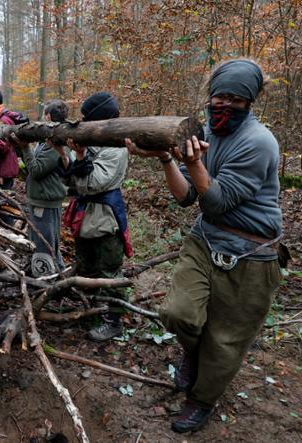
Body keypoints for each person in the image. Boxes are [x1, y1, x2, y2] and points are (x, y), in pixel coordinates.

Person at [126, 59, 282, 433]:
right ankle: (191, 354)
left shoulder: (258, 142)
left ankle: (202, 401)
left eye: (234, 99)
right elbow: (185, 197)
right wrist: (167, 157)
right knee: (179, 313)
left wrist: (194, 164)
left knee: (225, 340)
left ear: (249, 102)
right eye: (219, 96)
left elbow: (216, 200)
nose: (223, 105)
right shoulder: (206, 131)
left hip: (251, 255)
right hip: (205, 239)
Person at [55, 92, 133, 341]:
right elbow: (71, 182)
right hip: (86, 214)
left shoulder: (115, 145)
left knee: (109, 270)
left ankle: (114, 321)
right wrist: (64, 154)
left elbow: (93, 183)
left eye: (89, 117)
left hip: (105, 216)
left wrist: (79, 156)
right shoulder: (92, 140)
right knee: (86, 266)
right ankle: (91, 313)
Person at [9, 100, 68, 275]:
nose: (42, 117)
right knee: (45, 240)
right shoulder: (48, 140)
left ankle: (45, 279)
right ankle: (56, 272)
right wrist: (21, 147)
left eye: (44, 114)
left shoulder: (54, 145)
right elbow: (33, 165)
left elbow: (36, 170)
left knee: (44, 243)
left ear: (48, 117)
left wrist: (25, 147)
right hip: (42, 199)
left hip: (45, 202)